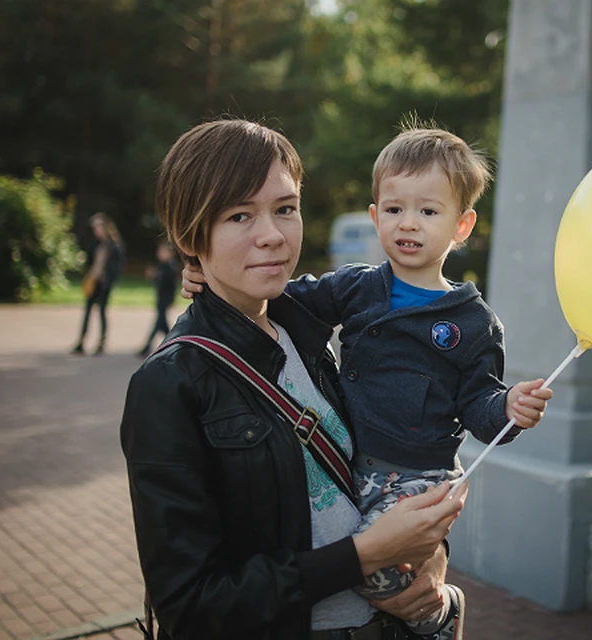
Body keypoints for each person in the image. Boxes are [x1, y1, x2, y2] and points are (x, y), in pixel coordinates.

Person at [183, 125, 553, 638]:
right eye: (395, 209)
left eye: (429, 211)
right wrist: (209, 276)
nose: (409, 224)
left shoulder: (472, 322)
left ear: (461, 226)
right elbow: (283, 296)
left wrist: (509, 407)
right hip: (354, 467)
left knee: (375, 576)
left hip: (417, 473)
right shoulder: (358, 287)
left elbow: (478, 405)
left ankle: (437, 619)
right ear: (376, 216)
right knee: (355, 561)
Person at [121, 118, 467, 640]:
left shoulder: (313, 334)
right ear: (191, 233)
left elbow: (404, 455)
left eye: (285, 209)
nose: (273, 236)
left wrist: (431, 555)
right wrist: (365, 555)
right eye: (240, 215)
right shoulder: (171, 384)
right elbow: (190, 608)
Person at [72, 212, 124, 355]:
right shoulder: (94, 243)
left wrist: (109, 280)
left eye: (98, 227)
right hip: (93, 281)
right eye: (94, 228)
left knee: (101, 312)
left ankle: (101, 342)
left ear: (105, 227)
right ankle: (81, 342)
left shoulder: (114, 245)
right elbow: (88, 262)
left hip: (104, 284)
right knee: (87, 311)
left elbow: (117, 267)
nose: (96, 230)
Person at [138, 241, 179, 356]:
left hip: (165, 299)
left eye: (163, 252)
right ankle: (172, 344)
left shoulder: (170, 267)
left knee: (158, 324)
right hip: (160, 298)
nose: (160, 254)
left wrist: (172, 299)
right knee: (162, 325)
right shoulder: (161, 266)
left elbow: (172, 285)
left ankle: (147, 347)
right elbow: (156, 281)